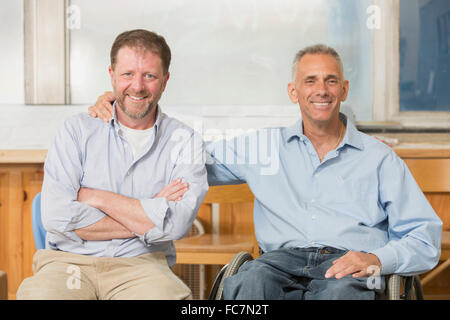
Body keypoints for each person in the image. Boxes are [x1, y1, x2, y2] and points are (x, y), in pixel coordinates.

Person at [87, 44, 442, 300]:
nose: (321, 90)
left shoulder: (379, 158)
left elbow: (424, 239)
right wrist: (128, 106)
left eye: (331, 81)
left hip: (348, 262)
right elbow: (183, 156)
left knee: (342, 293)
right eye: (310, 81)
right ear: (293, 91)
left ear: (344, 90)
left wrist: (376, 258)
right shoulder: (263, 147)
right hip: (276, 263)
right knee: (249, 282)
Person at [17, 29, 208, 300]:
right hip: (69, 264)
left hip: (142, 267)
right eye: (128, 74)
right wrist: (149, 212)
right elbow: (56, 218)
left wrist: (96, 197)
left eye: (149, 76)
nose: (138, 86)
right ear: (112, 75)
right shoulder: (75, 131)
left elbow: (175, 224)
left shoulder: (185, 140)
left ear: (165, 81)